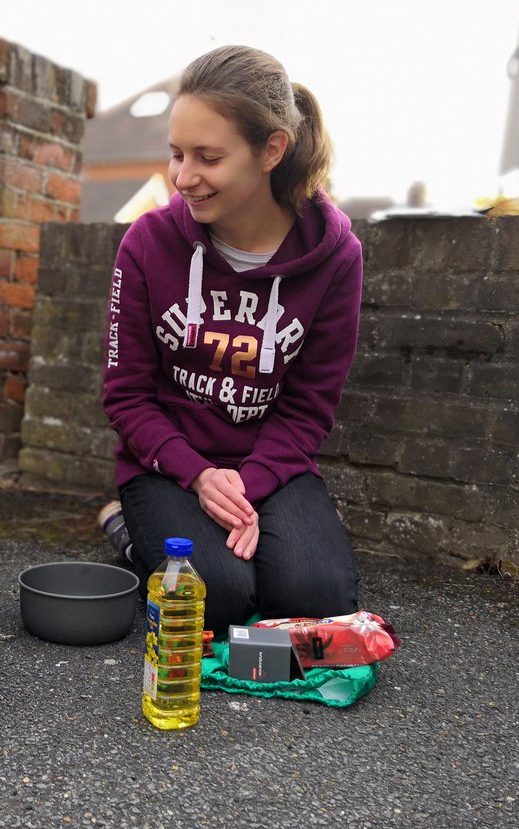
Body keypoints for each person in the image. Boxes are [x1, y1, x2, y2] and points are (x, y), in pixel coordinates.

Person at [101, 46, 362, 635]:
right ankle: (126, 529)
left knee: (313, 601)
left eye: (208, 158)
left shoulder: (337, 258)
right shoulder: (148, 244)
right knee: (213, 599)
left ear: (272, 149)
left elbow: (308, 407)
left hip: (269, 464)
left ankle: (221, 536)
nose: (182, 177)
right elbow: (127, 396)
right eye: (176, 153)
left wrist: (250, 483)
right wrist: (198, 474)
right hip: (168, 464)